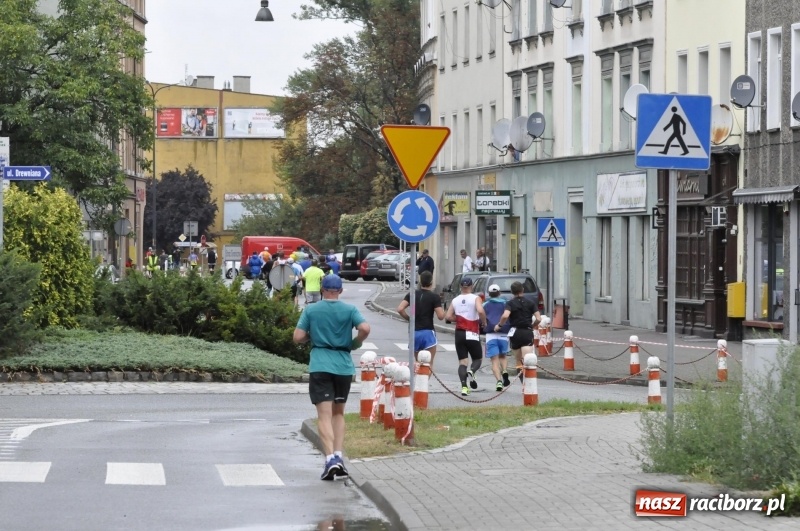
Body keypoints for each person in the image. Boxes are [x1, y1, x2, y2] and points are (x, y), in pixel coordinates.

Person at [293, 274, 370, 480]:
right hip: (343, 366)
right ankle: (339, 455)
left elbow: (298, 337)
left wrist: (313, 335)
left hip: (320, 363)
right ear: (341, 291)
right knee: (339, 413)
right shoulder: (350, 310)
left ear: (322, 289)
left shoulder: (311, 310)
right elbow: (365, 328)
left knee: (324, 416)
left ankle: (329, 460)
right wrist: (355, 343)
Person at [443, 277, 487, 396]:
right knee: (477, 359)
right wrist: (484, 322)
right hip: (472, 331)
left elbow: (447, 316)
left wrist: (457, 320)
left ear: (461, 287)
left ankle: (464, 387)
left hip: (459, 333)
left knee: (462, 362)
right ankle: (472, 371)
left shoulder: (455, 300)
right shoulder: (475, 298)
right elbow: (481, 311)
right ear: (471, 286)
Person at [494, 281, 542, 382]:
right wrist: (532, 326)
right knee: (527, 360)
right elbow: (538, 318)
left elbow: (506, 315)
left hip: (515, 333)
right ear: (522, 290)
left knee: (518, 361)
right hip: (526, 332)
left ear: (512, 292)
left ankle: (522, 382)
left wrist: (499, 325)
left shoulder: (510, 303)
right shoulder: (530, 303)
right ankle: (529, 383)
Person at [396, 271, 445, 369]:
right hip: (427, 332)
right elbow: (440, 316)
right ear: (431, 282)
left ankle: (418, 383)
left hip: (414, 332)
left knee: (418, 363)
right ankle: (424, 383)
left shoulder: (412, 295)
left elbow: (400, 309)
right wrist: (444, 309)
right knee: (428, 364)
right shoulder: (434, 297)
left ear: (420, 282)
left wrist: (409, 319)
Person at [483, 284, 512, 390]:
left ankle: (499, 381)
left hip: (490, 334)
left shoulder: (485, 305)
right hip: (504, 333)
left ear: (489, 294)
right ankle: (504, 370)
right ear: (499, 293)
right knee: (503, 356)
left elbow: (481, 316)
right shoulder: (506, 304)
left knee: (494, 360)